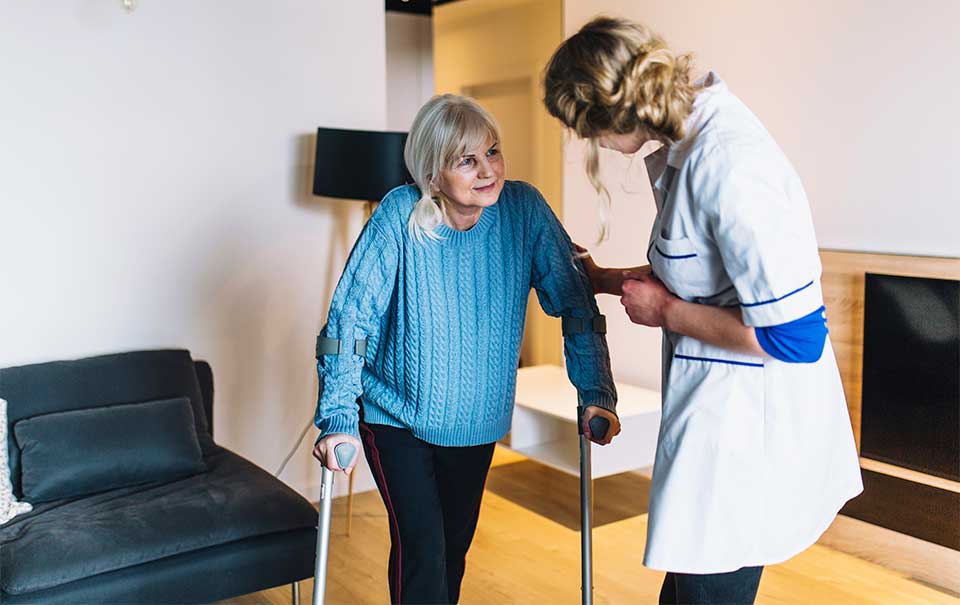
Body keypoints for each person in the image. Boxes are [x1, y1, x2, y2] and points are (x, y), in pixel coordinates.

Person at [542, 17, 863, 605]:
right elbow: (702, 278)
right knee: (689, 589)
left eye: (587, 132)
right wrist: (603, 278)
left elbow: (798, 337)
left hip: (748, 434)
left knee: (706, 591)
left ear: (609, 114)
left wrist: (665, 313)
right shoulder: (690, 143)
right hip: (720, 421)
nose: (593, 147)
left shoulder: (731, 164)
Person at [312, 93, 618, 605]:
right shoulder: (399, 216)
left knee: (451, 549)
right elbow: (350, 321)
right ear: (433, 175)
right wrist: (338, 416)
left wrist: (596, 390)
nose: (488, 170)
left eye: (492, 152)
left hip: (476, 419)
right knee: (424, 550)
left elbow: (574, 301)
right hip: (395, 417)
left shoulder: (525, 211)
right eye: (467, 160)